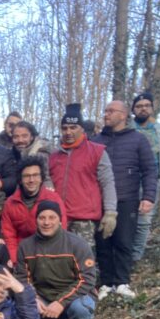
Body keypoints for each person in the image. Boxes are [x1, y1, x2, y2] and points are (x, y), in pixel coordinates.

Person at [91, 100, 158, 299]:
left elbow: (149, 170)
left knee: (123, 241)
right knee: (102, 242)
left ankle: (122, 282)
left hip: (127, 197)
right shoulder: (95, 140)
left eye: (111, 111)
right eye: (105, 110)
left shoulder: (138, 140)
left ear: (123, 115)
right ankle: (106, 283)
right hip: (99, 200)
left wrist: (148, 196)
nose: (106, 114)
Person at [17, 200, 97, 319]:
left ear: (60, 220)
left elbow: (87, 279)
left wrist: (61, 302)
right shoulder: (26, 246)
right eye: (42, 218)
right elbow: (21, 279)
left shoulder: (77, 244)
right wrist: (33, 298)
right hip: (43, 298)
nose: (47, 222)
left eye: (52, 217)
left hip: (73, 298)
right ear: (36, 220)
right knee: (24, 305)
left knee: (81, 308)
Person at [49, 103, 117, 253]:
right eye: (65, 128)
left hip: (84, 219)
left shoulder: (97, 152)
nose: (68, 132)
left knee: (81, 260)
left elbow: (107, 183)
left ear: (81, 129)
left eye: (73, 128)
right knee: (58, 260)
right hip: (57, 217)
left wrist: (111, 212)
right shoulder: (53, 156)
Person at [131, 92, 160, 262]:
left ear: (152, 108)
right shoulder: (127, 128)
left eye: (146, 105)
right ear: (134, 109)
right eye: (139, 106)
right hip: (129, 180)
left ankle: (135, 258)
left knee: (143, 221)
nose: (143, 109)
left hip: (151, 181)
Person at [2, 156, 68, 264]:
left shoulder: (53, 199)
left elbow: (61, 231)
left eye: (35, 175)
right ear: (20, 179)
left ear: (41, 178)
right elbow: (9, 236)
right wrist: (15, 261)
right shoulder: (10, 203)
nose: (31, 180)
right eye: (27, 176)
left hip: (48, 251)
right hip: (21, 252)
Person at [11, 120, 53, 186]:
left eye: (24, 136)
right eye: (16, 137)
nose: (20, 140)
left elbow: (46, 179)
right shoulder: (14, 153)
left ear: (32, 137)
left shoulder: (40, 154)